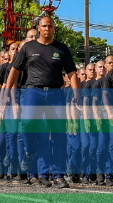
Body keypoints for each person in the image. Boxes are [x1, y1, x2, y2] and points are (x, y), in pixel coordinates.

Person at [7, 15, 79, 188]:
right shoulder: (28, 48)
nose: (47, 29)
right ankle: (29, 152)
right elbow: (15, 71)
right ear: (39, 28)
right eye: (44, 26)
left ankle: (57, 175)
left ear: (54, 28)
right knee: (28, 124)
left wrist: (76, 93)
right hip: (33, 92)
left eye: (50, 26)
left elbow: (72, 73)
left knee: (58, 135)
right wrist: (6, 92)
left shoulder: (61, 49)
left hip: (55, 94)